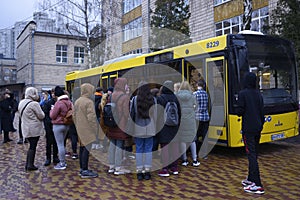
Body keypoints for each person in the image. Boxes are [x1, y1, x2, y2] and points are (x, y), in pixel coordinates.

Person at [236, 72, 265, 194]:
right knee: (254, 153)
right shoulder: (258, 94)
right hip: (258, 127)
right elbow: (262, 111)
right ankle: (251, 178)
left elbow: (239, 111)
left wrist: (237, 104)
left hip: (248, 128)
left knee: (251, 154)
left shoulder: (243, 94)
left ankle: (257, 184)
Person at [130, 81, 157, 180]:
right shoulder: (153, 99)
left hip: (138, 128)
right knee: (148, 150)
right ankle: (147, 171)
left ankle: (139, 171)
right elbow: (155, 115)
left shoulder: (135, 99)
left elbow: (132, 114)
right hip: (150, 128)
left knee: (139, 149)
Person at [106, 78, 131, 175]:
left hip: (111, 123)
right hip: (121, 124)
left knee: (112, 145)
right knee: (119, 146)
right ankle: (118, 167)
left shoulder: (111, 95)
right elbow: (126, 112)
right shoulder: (124, 97)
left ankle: (111, 166)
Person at [73, 83, 99, 178]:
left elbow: (73, 115)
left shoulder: (77, 101)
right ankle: (85, 170)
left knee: (82, 148)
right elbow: (91, 118)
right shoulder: (89, 102)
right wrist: (95, 129)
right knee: (87, 149)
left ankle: (82, 168)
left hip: (80, 128)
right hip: (88, 129)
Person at [157, 80, 181, 177]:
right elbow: (180, 112)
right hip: (174, 126)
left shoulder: (160, 98)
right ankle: (174, 167)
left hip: (164, 127)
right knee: (174, 147)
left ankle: (165, 168)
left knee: (165, 148)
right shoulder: (176, 98)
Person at [18, 87, 45, 171]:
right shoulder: (34, 104)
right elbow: (41, 115)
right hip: (34, 128)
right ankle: (30, 164)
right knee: (33, 146)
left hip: (25, 127)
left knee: (31, 146)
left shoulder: (21, 102)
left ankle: (28, 164)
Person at [176, 81, 200, 167]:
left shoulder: (177, 96)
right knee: (192, 140)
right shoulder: (192, 95)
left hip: (182, 121)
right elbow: (196, 107)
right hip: (191, 121)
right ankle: (194, 159)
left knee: (182, 140)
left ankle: (184, 160)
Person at [50, 86, 73, 170]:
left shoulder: (58, 103)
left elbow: (52, 116)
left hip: (58, 125)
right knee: (62, 143)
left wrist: (51, 110)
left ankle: (62, 163)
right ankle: (63, 162)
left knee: (60, 145)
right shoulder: (69, 102)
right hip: (67, 124)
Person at [42, 89, 60, 166]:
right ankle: (48, 158)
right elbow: (45, 115)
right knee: (49, 142)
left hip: (56, 124)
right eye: (52, 93)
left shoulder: (58, 103)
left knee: (56, 142)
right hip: (49, 125)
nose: (53, 95)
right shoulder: (47, 103)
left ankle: (55, 156)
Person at [194, 79, 210, 159]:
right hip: (206, 117)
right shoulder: (206, 94)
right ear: (203, 86)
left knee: (196, 136)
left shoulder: (195, 94)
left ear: (197, 85)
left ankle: (196, 153)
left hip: (197, 117)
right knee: (204, 136)